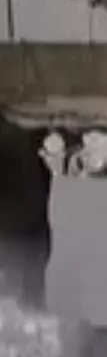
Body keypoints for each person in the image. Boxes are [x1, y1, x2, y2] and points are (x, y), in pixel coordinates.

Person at [0, 112, 53, 310]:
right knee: (31, 285)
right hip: (34, 227)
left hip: (12, 230)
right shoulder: (22, 138)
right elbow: (46, 178)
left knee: (12, 282)